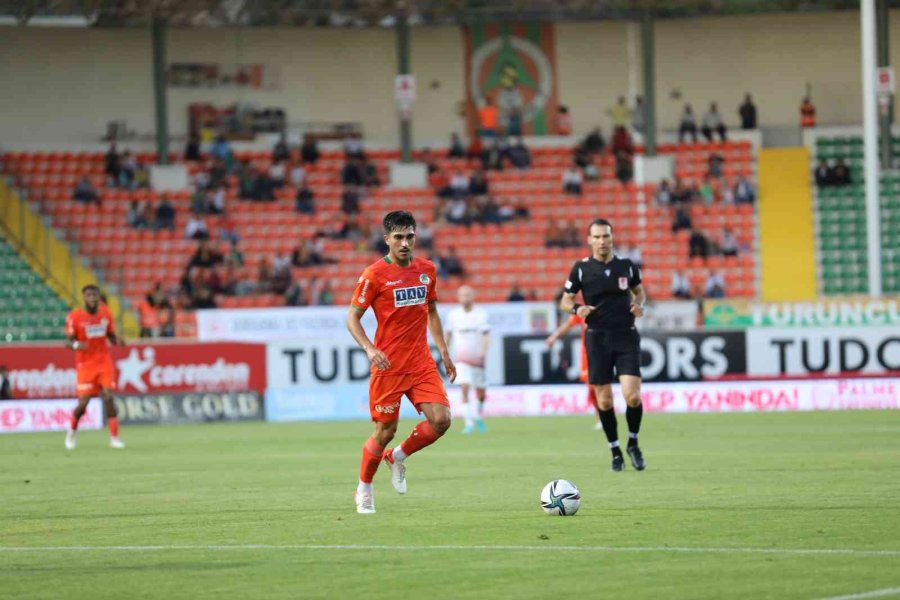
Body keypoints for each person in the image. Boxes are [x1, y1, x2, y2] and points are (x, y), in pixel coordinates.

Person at [346, 210, 457, 514]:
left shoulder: (427, 270)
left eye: (410, 236)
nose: (405, 243)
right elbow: (352, 318)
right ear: (387, 240)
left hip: (420, 361)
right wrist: (369, 349)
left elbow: (431, 311)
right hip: (389, 366)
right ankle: (364, 489)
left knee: (442, 420)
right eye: (398, 237)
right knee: (384, 432)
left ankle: (397, 457)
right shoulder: (373, 275)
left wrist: (444, 351)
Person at [559, 218, 647, 472]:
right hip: (597, 338)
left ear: (612, 238)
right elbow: (564, 301)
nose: (602, 241)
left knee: (632, 395)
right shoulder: (581, 269)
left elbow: (639, 292)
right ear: (589, 240)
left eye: (606, 236)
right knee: (605, 402)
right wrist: (578, 308)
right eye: (597, 237)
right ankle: (615, 451)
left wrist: (640, 305)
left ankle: (633, 443)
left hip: (626, 335)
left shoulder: (626, 266)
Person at [64, 284, 126, 450]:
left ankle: (114, 438)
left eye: (95, 295)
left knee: (108, 397)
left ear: (99, 297)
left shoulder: (105, 313)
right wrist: (78, 345)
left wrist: (117, 340)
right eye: (89, 295)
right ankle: (71, 431)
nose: (92, 298)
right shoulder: (75, 317)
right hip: (85, 365)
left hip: (104, 362)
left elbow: (110, 334)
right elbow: (68, 342)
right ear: (84, 297)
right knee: (83, 404)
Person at [445, 286, 490, 435]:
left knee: (481, 393)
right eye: (462, 295)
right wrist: (445, 352)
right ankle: (469, 423)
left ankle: (476, 415)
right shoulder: (453, 315)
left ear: (473, 296)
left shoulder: (481, 314)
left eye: (468, 295)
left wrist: (483, 351)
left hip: (477, 358)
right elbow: (448, 335)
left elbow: (486, 334)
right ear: (458, 297)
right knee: (464, 389)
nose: (465, 298)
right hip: (461, 359)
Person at [545, 315, 603, 429]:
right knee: (591, 387)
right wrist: (554, 336)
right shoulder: (582, 309)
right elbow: (569, 324)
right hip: (587, 353)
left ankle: (607, 416)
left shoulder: (604, 305)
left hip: (604, 351)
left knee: (600, 386)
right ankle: (602, 417)